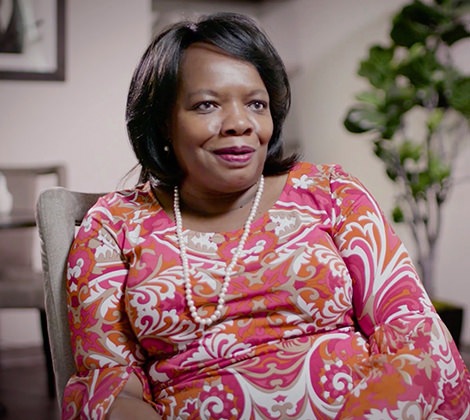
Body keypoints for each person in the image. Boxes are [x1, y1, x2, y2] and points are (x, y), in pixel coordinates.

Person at [63, 12, 470, 420]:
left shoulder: (330, 192)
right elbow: (111, 384)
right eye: (206, 105)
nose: (240, 123)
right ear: (164, 122)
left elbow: (412, 331)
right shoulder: (113, 226)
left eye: (256, 104)